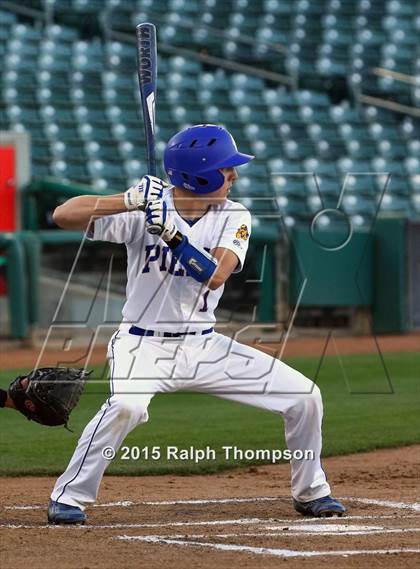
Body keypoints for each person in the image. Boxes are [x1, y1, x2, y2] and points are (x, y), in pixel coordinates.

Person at [48, 124, 346, 524]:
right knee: (126, 405)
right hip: (142, 345)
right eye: (226, 169)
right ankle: (69, 497)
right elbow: (62, 215)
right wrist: (128, 200)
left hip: (203, 346)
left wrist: (172, 236)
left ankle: (312, 492)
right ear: (200, 174)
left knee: (304, 396)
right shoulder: (142, 211)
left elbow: (216, 274)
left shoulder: (234, 214)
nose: (234, 175)